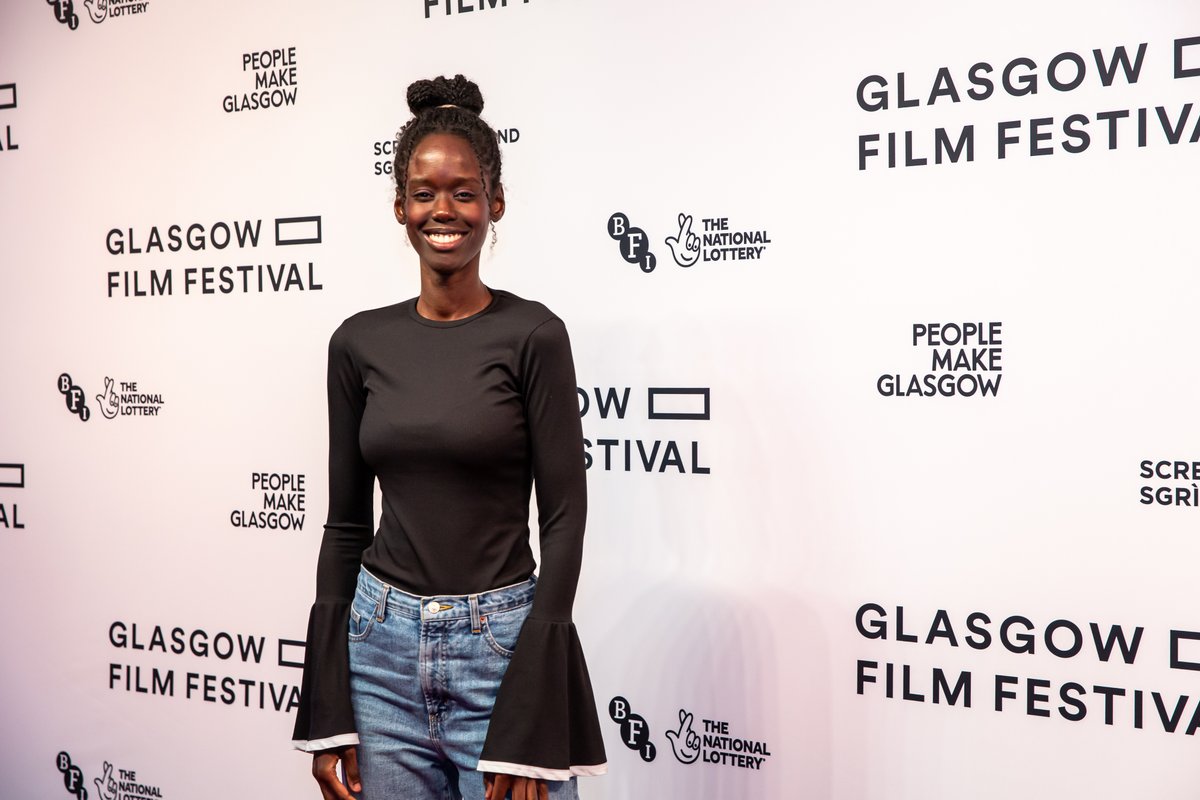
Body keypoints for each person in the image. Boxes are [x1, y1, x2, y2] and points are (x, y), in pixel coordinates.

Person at [291, 75, 607, 800]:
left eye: (464, 192)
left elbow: (564, 519)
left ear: (495, 204)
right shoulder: (357, 343)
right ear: (399, 205)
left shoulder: (533, 335)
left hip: (500, 650)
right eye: (424, 192)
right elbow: (344, 526)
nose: (444, 210)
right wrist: (329, 708)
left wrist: (533, 707)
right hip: (379, 655)